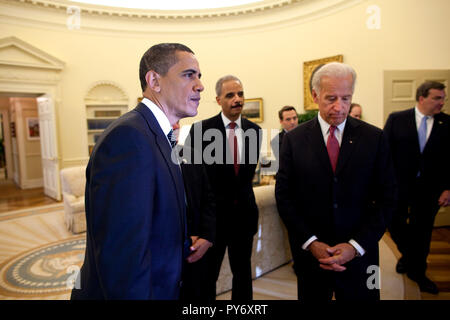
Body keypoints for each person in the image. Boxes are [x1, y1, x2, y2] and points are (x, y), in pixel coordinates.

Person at [71, 43, 204, 300]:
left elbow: (150, 225)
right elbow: (122, 258)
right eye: (189, 75)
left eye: (199, 76)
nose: (200, 85)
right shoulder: (128, 137)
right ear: (154, 80)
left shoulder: (155, 134)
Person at [275, 62, 396, 301]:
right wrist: (311, 242)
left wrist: (355, 246)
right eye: (331, 98)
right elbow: (285, 196)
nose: (339, 107)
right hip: (312, 257)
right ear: (315, 95)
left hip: (361, 254)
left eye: (346, 98)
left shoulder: (374, 138)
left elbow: (388, 197)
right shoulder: (294, 140)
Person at [187, 75, 261, 300]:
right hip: (212, 222)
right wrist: (195, 226)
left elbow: (245, 179)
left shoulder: (255, 131)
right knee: (208, 277)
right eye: (230, 95)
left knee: (242, 274)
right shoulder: (200, 131)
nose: (237, 99)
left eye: (240, 94)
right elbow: (193, 184)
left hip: (244, 218)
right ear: (218, 100)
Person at [384, 81, 450, 294]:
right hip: (399, 187)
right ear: (422, 98)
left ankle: (418, 272)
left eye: (443, 97)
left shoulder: (447, 123)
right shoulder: (397, 119)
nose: (442, 101)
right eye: (437, 98)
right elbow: (385, 153)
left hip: (430, 190)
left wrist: (448, 189)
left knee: (422, 232)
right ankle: (409, 255)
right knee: (394, 223)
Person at [172, 122, 217, 302]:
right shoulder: (145, 157)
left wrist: (207, 237)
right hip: (168, 254)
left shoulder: (191, 154)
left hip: (199, 248)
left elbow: (208, 198)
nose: (175, 124)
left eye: (177, 120)